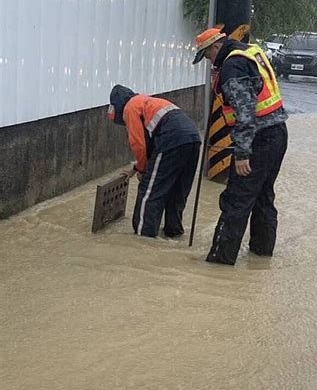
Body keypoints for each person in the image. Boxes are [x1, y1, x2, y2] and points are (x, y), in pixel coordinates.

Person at [193, 28, 288, 265]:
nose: (209, 62)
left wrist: (243, 153)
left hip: (258, 140)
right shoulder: (250, 52)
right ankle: (261, 255)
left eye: (207, 56)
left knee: (236, 200)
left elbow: (245, 113)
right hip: (277, 134)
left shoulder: (232, 66)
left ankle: (219, 264)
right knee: (263, 197)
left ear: (216, 47)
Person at [107, 85, 201, 238]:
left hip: (171, 140)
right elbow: (151, 143)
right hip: (193, 140)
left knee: (149, 191)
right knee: (177, 190)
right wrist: (136, 168)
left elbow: (139, 144)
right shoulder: (147, 101)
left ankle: (143, 237)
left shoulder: (130, 108)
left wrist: (144, 171)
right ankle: (173, 232)